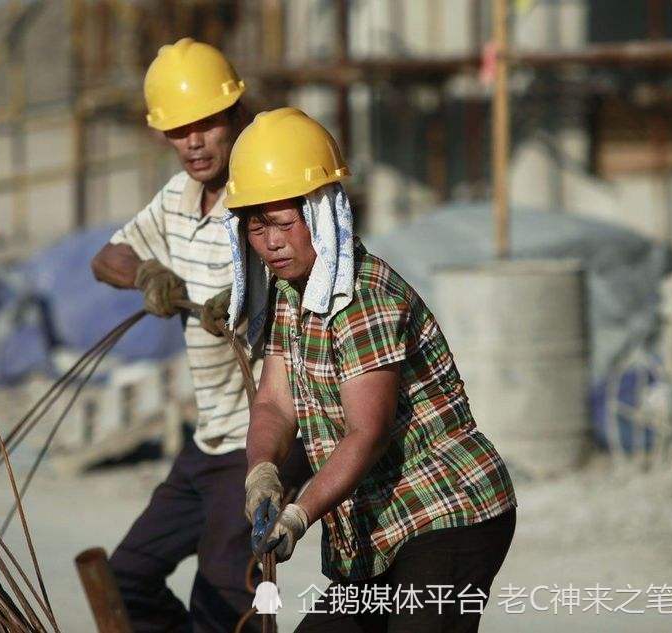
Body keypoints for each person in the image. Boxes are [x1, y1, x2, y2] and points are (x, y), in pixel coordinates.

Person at [223, 107, 518, 632]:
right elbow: (273, 402)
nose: (271, 241)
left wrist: (298, 514)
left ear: (320, 214)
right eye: (257, 225)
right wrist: (262, 471)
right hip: (377, 528)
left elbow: (368, 431)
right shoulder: (290, 295)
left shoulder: (363, 299)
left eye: (285, 222)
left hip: (444, 512)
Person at [90, 40, 310, 633]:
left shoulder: (262, 193)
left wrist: (243, 298)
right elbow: (105, 257)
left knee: (224, 596)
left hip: (257, 439)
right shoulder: (177, 201)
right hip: (208, 438)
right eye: (176, 131)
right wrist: (147, 274)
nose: (192, 143)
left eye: (205, 124)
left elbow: (305, 271)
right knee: (124, 580)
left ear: (235, 112)